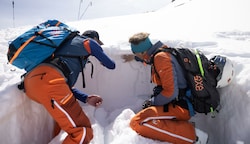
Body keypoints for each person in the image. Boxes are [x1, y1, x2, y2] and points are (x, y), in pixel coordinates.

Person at [123, 32, 234, 144]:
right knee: (146, 114)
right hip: (179, 102)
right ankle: (183, 129)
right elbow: (146, 59)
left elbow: (170, 93)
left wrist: (153, 102)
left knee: (138, 122)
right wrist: (134, 58)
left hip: (182, 106)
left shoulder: (160, 59)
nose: (137, 57)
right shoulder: (162, 52)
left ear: (143, 52)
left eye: (136, 54)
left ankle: (194, 137)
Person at [24, 30, 115, 144]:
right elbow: (111, 65)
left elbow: (64, 87)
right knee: (83, 131)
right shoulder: (89, 42)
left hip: (32, 82)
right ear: (95, 39)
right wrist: (100, 56)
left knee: (64, 122)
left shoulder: (63, 45)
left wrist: (86, 98)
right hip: (50, 81)